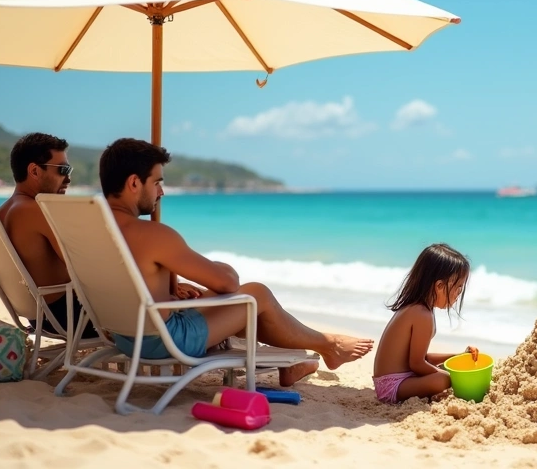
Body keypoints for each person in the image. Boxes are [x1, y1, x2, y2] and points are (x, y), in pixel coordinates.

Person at [98, 138, 373, 387]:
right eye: (157, 182)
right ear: (134, 183)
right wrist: (221, 271)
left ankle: (294, 361)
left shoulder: (91, 229)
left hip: (123, 336)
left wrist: (173, 284)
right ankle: (328, 345)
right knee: (255, 294)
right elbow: (228, 283)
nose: (162, 192)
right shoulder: (154, 236)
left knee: (218, 297)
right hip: (165, 341)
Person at [0, 132, 98, 338]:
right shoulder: (35, 210)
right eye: (63, 170)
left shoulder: (1, 212)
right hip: (71, 317)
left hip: (38, 316)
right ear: (34, 170)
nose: (68, 178)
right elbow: (87, 268)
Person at [371, 243, 479, 404]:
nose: (458, 294)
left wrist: (457, 357)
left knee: (446, 371)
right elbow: (416, 363)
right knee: (443, 379)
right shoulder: (422, 314)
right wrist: (446, 376)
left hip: (396, 380)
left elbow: (422, 358)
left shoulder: (418, 308)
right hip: (392, 386)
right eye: (458, 288)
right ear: (440, 286)